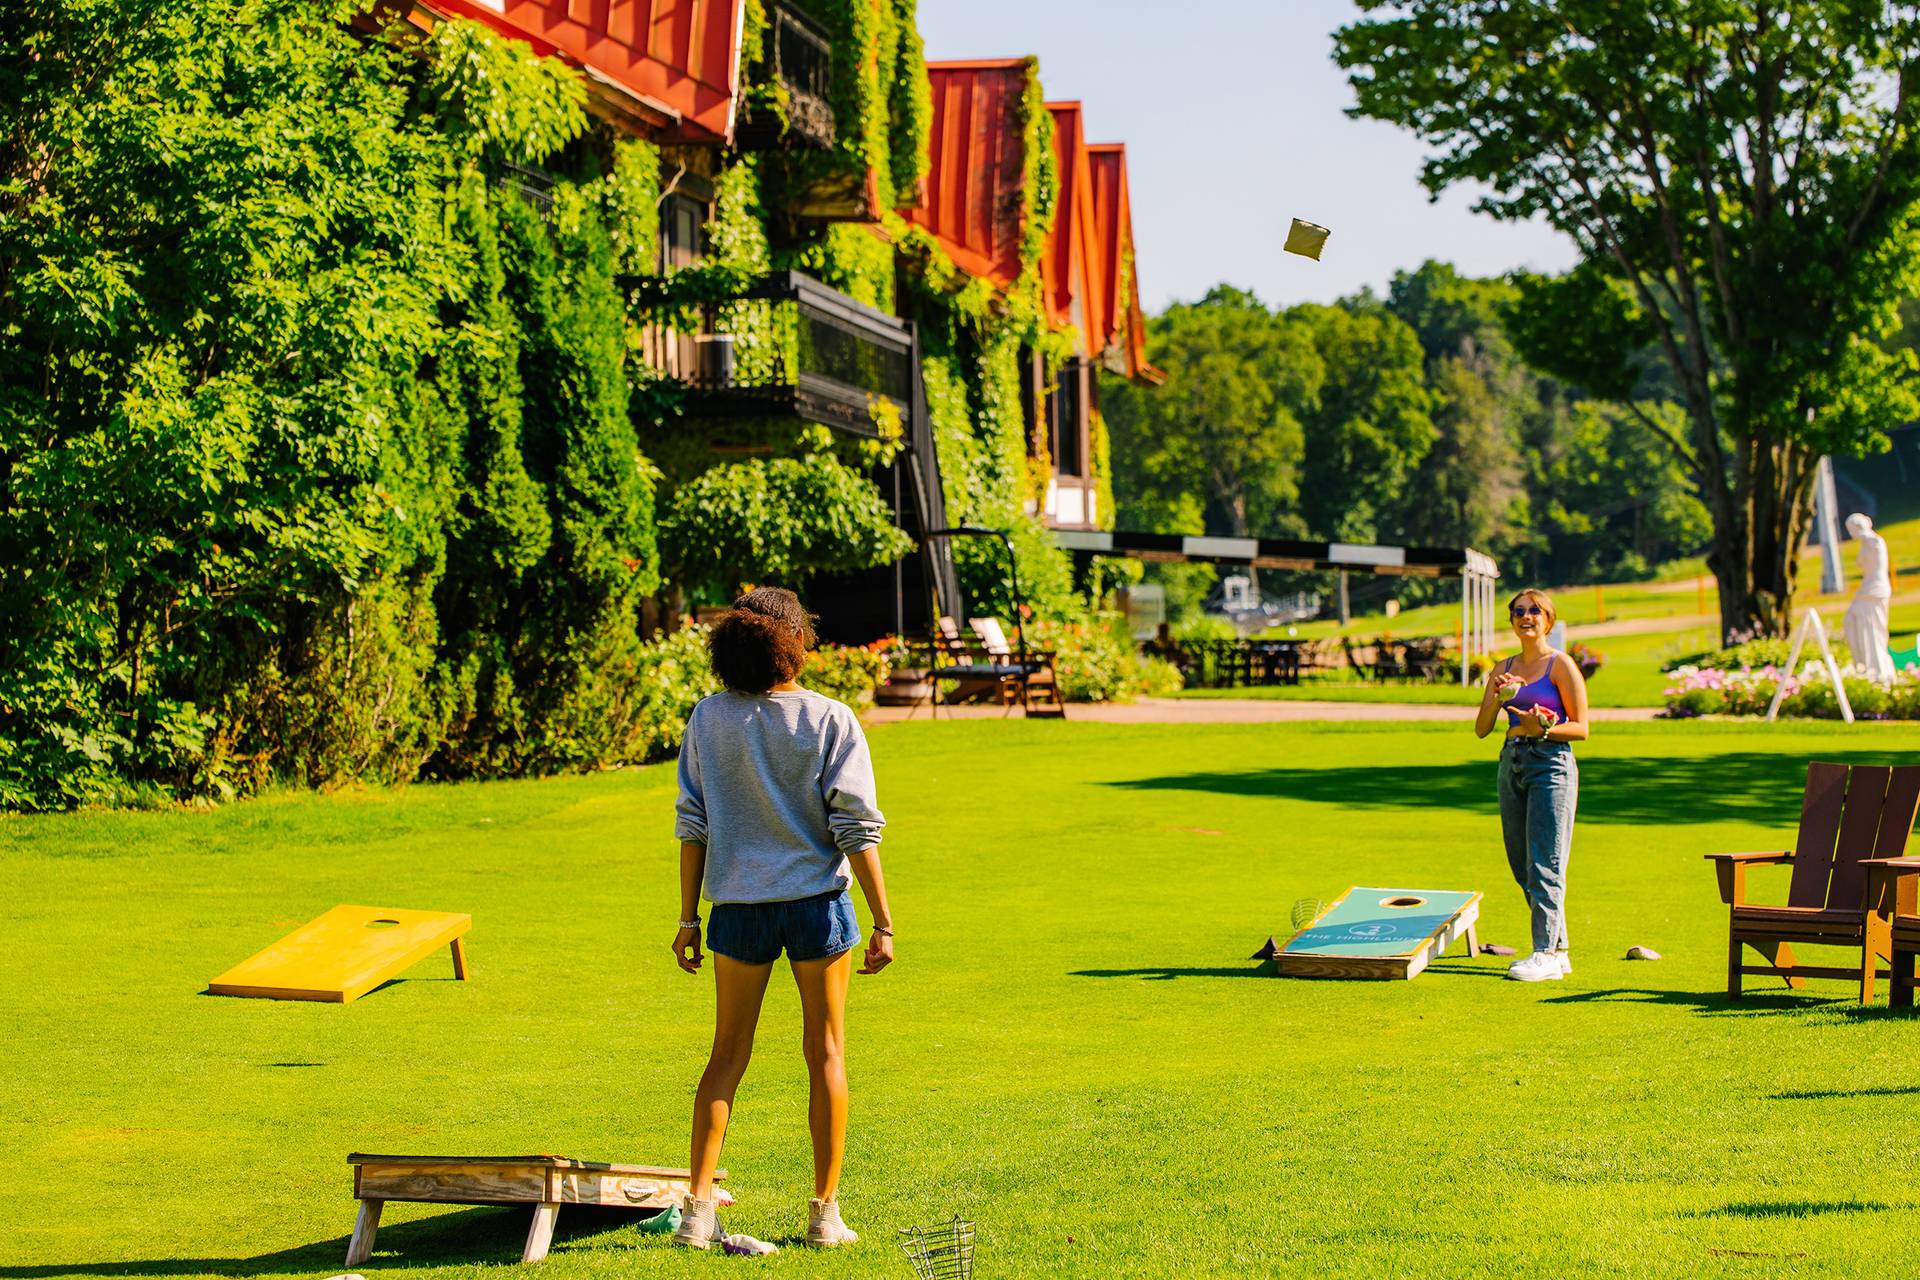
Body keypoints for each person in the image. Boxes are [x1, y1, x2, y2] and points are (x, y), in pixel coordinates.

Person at [671, 587, 896, 1249]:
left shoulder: (709, 720)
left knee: (725, 1058)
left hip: (736, 907)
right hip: (816, 907)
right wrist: (883, 920)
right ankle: (825, 1215)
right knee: (825, 1053)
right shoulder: (829, 719)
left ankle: (697, 1213)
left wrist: (688, 919)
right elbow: (856, 828)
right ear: (796, 641)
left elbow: (694, 826)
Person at [1472, 588, 1590, 982]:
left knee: (1546, 862)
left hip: (1550, 764)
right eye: (1519, 611)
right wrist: (1498, 695)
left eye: (1535, 611)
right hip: (1512, 762)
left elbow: (1581, 728)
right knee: (1522, 863)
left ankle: (1544, 952)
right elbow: (1482, 728)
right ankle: (1559, 949)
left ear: (1548, 620)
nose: (1526, 617)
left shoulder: (1560, 665)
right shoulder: (1503, 667)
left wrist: (1546, 726)